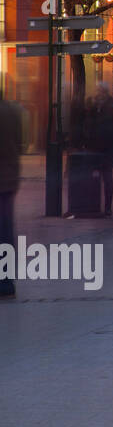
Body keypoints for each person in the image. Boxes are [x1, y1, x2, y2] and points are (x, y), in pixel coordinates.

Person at [84, 84, 113, 217]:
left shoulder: (111, 108)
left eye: (100, 91)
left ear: (105, 93)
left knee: (107, 178)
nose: (98, 94)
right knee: (95, 178)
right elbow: (88, 124)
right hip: (94, 148)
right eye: (97, 91)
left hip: (106, 148)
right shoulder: (93, 107)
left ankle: (107, 207)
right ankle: (95, 205)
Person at [0, 88, 21, 298]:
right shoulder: (13, 110)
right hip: (10, 177)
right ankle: (7, 279)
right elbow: (20, 142)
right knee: (6, 230)